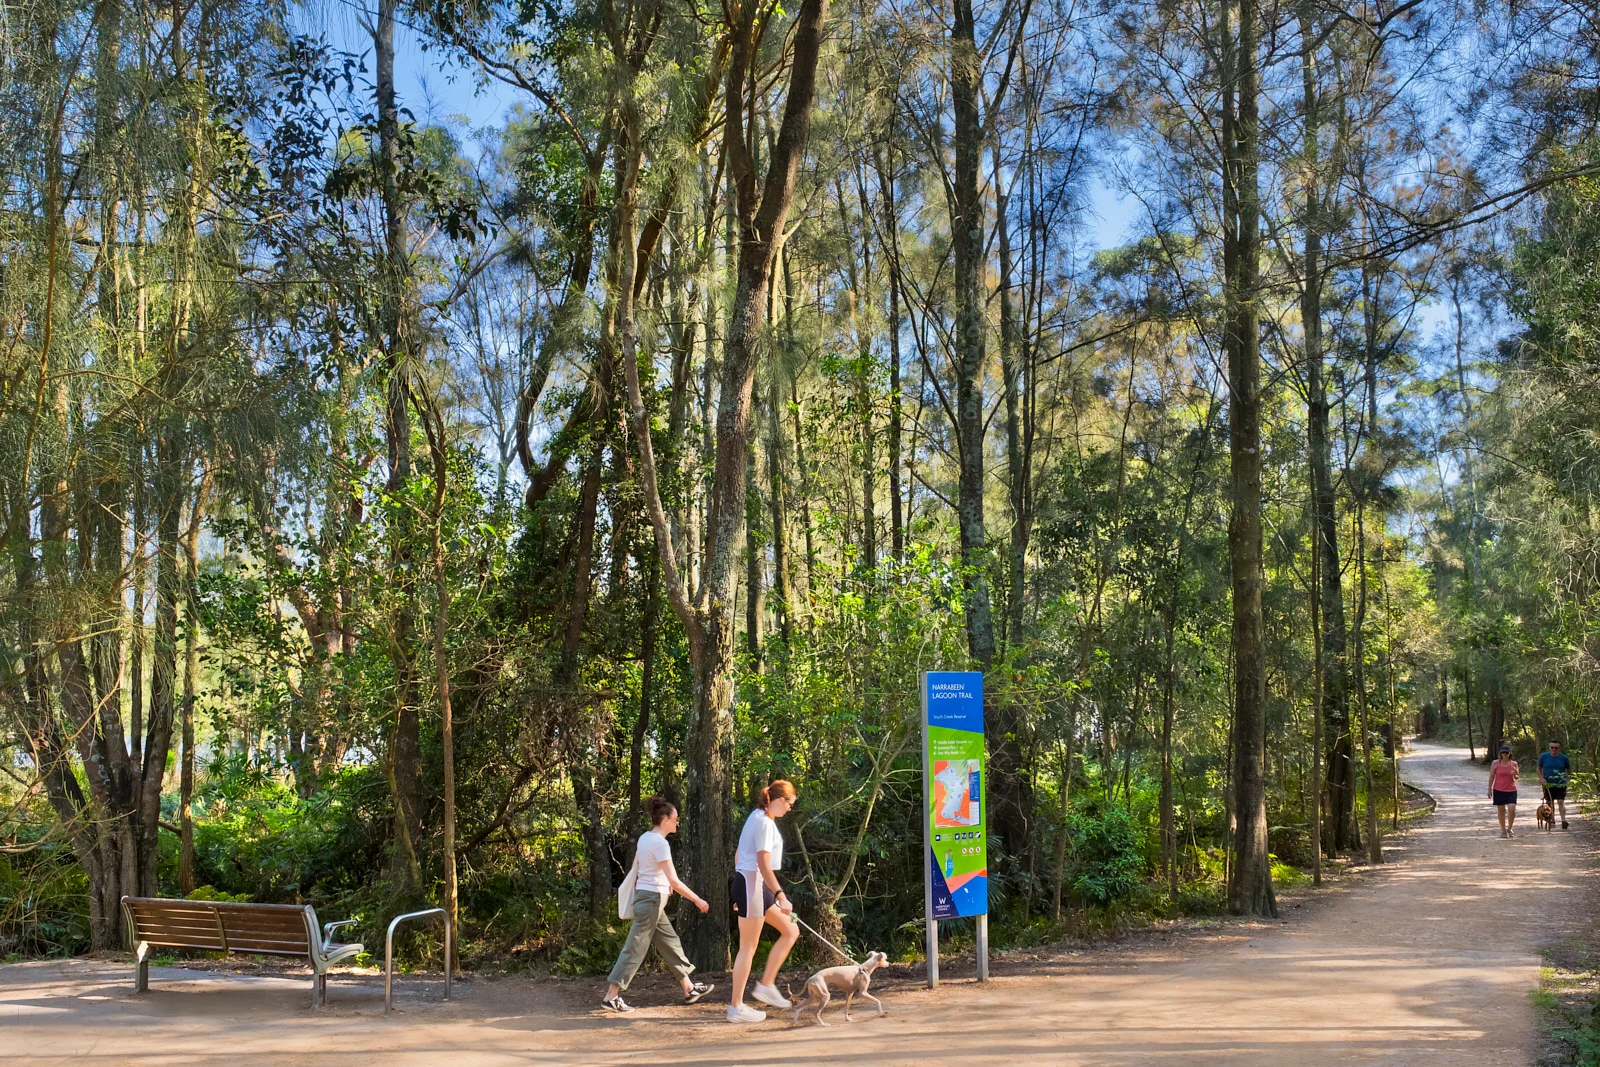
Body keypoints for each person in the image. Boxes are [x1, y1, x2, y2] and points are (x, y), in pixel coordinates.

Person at [601, 797, 714, 1012]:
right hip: (652, 901)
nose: (677, 822)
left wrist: (663, 884)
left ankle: (689, 988)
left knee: (670, 942)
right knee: (635, 948)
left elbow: (644, 867)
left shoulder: (646, 838)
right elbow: (675, 881)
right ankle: (611, 997)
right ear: (665, 820)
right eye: (675, 819)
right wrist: (697, 900)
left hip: (650, 899)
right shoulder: (660, 843)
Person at [727, 779, 800, 1024]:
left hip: (753, 886)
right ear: (779, 800)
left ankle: (766, 985)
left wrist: (742, 893)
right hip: (753, 885)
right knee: (748, 947)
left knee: (790, 930)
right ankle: (736, 1007)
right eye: (789, 803)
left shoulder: (758, 817)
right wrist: (780, 895)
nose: (790, 808)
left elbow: (739, 854)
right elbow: (763, 864)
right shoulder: (764, 823)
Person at [1539, 740, 1573, 830]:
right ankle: (1552, 820)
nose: (1554, 749)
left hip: (1561, 783)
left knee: (1560, 801)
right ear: (1549, 748)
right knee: (1550, 802)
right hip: (1548, 783)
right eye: (1552, 747)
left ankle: (1563, 821)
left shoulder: (1564, 758)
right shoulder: (1544, 756)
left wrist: (1568, 778)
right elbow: (1538, 768)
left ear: (1559, 748)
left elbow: (1568, 769)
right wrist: (1541, 778)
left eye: (1556, 748)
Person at [1488, 743, 1520, 838]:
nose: (1505, 754)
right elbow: (1492, 776)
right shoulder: (1495, 763)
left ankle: (1510, 828)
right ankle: (1503, 830)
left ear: (1510, 753)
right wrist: (1489, 788)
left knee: (1512, 809)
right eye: (1503, 753)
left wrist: (1515, 775)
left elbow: (1517, 777)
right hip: (1499, 789)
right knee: (1501, 811)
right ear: (1500, 753)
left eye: (1506, 753)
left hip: (1511, 790)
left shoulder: (1514, 764)